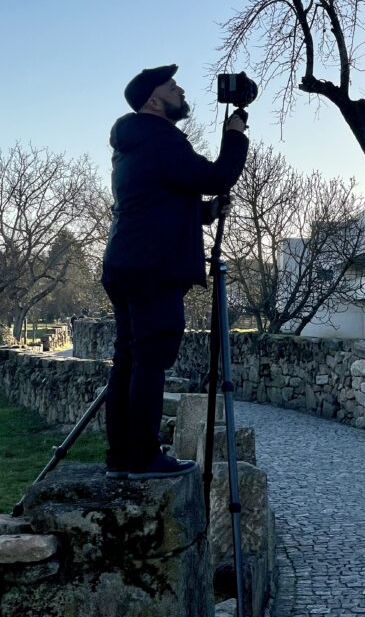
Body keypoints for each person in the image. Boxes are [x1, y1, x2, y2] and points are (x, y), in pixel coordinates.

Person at [101, 64, 248, 480]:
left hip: (125, 263)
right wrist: (235, 134)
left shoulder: (133, 142)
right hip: (154, 268)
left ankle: (121, 457)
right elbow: (216, 176)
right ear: (153, 100)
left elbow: (156, 200)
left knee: (128, 359)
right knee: (150, 361)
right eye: (171, 86)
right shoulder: (160, 137)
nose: (180, 90)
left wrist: (206, 212)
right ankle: (144, 457)